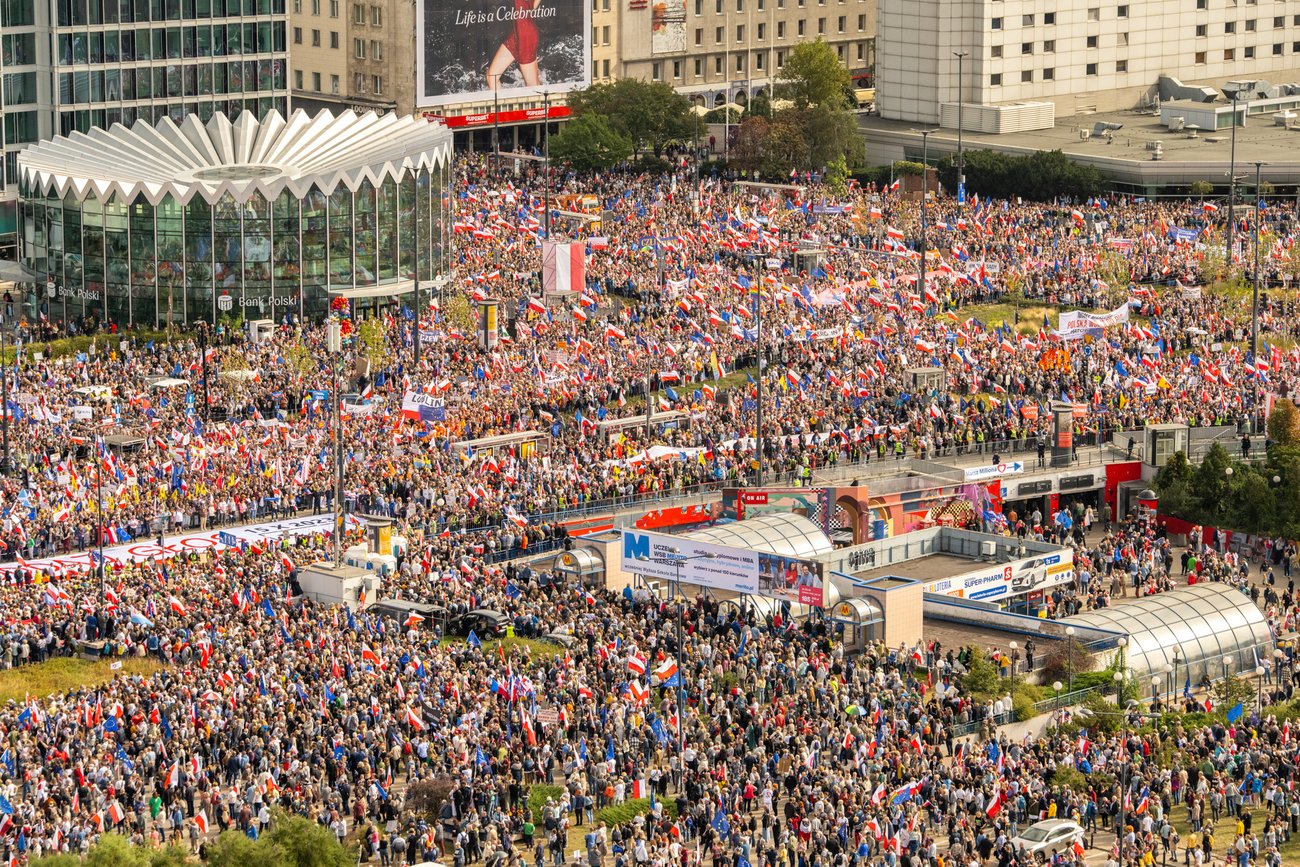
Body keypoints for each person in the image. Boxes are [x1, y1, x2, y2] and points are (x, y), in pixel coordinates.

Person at [486, 0, 543, 89]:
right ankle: (501, 103)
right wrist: (528, 11)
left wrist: (528, 13)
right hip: (516, 34)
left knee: (533, 89)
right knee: (492, 77)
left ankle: (549, 102)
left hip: (525, 37)